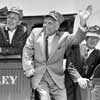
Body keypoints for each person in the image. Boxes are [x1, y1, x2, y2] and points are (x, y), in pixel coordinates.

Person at [22, 5, 92, 100]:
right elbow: (27, 50)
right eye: (45, 22)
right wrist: (28, 68)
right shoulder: (36, 32)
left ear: (57, 26)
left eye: (50, 23)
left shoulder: (64, 37)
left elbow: (77, 39)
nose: (45, 25)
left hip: (56, 78)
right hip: (39, 76)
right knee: (44, 97)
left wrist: (83, 22)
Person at [65, 25, 100, 100]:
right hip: (70, 86)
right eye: (90, 38)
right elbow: (70, 65)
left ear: (98, 40)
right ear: (86, 39)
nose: (93, 41)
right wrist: (78, 78)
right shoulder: (75, 48)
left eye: (96, 38)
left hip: (84, 89)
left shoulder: (98, 54)